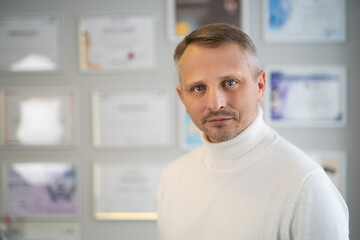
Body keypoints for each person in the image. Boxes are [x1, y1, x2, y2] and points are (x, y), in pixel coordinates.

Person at [157, 23, 349, 239]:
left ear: (260, 86)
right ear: (183, 97)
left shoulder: (306, 184)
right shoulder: (172, 177)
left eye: (230, 82)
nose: (215, 103)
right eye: (198, 88)